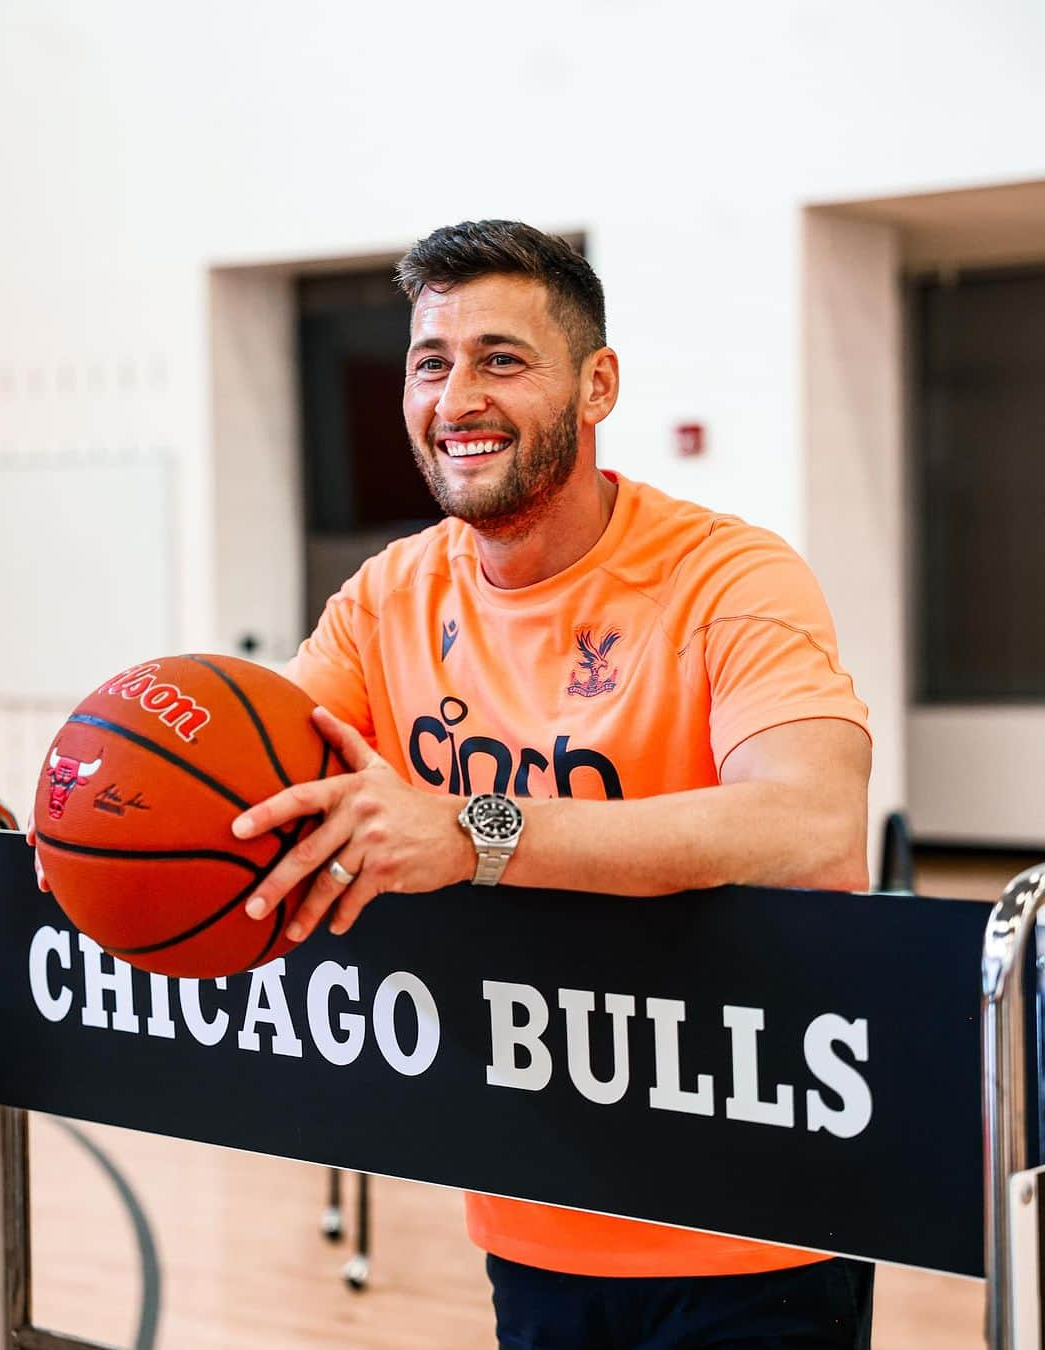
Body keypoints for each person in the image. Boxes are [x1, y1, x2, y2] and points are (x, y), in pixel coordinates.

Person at [44, 219, 877, 1347]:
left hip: (757, 1210)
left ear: (597, 385)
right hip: (531, 1202)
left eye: (501, 358)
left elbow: (807, 816)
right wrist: (101, 829)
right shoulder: (392, 596)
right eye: (431, 363)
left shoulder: (729, 575)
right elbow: (253, 794)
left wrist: (474, 833)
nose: (458, 395)